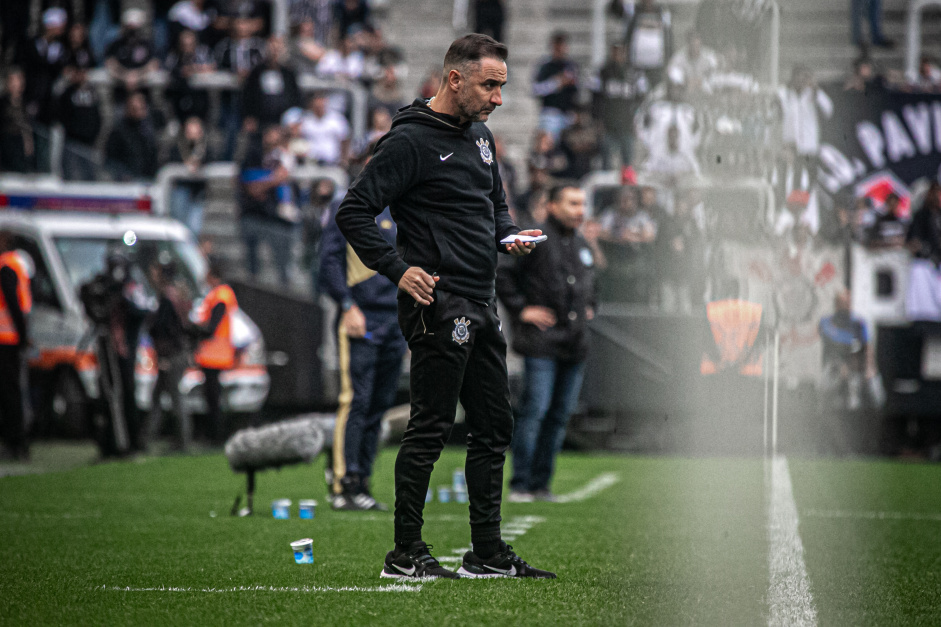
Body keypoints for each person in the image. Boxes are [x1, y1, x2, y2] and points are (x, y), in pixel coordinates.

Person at [335, 33, 555, 580]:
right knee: (430, 427)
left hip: (482, 300)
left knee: (494, 425)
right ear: (454, 79)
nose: (498, 99)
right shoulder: (409, 141)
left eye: (502, 86)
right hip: (438, 301)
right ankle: (405, 553)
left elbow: (493, 204)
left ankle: (486, 553)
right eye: (490, 85)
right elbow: (354, 212)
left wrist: (508, 236)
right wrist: (397, 268)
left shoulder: (479, 138)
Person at [496, 183, 595, 502]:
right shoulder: (535, 240)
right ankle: (521, 484)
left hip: (574, 343)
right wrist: (522, 309)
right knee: (535, 410)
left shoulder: (581, 242)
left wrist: (591, 305)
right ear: (552, 206)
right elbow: (503, 275)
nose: (579, 210)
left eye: (581, 204)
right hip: (542, 342)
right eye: (572, 203)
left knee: (558, 416)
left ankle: (541, 484)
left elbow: (593, 283)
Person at [319, 195, 406, 511]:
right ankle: (344, 483)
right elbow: (328, 260)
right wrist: (346, 304)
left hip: (394, 318)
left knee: (380, 403)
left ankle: (363, 483)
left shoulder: (405, 204)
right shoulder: (349, 205)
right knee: (356, 400)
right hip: (361, 316)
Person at [239, 125, 297, 285]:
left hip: (274, 219)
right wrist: (275, 180)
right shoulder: (252, 157)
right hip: (252, 215)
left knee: (282, 267)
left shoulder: (282, 159)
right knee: (252, 269)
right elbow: (252, 188)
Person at [147, 260, 194, 451]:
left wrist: (164, 356)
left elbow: (166, 329)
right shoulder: (178, 293)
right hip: (178, 352)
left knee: (175, 399)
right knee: (159, 397)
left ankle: (182, 441)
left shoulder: (167, 298)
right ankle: (147, 437)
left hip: (172, 354)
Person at [194, 260, 238, 444]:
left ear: (212, 275)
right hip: (215, 354)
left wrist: (194, 330)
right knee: (213, 396)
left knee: (213, 397)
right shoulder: (220, 294)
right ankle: (215, 434)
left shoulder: (220, 295)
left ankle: (216, 435)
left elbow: (213, 326)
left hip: (215, 354)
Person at [0, 234, 33, 461]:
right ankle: (17, 441)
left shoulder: (6, 267)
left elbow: (12, 302)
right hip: (11, 337)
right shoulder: (18, 264)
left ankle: (15, 442)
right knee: (13, 391)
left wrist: (21, 336)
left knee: (8, 393)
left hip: (6, 338)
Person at [591, 42, 649, 169]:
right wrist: (597, 121)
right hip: (608, 125)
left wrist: (637, 121)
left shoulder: (635, 73)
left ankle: (627, 185)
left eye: (621, 51)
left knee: (628, 162)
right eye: (616, 51)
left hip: (627, 124)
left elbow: (642, 100)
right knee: (607, 162)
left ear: (626, 53)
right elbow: (595, 99)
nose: (618, 55)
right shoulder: (603, 72)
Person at [57, 64, 102, 181]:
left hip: (89, 143)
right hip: (71, 142)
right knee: (70, 174)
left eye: (83, 72)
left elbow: (97, 115)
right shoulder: (67, 93)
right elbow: (61, 114)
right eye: (78, 72)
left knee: (90, 175)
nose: (81, 76)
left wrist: (94, 134)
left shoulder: (93, 92)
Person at [532, 31, 580, 139]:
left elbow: (576, 91)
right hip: (550, 113)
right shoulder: (545, 66)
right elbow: (535, 89)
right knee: (550, 145)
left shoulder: (571, 66)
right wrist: (556, 83)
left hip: (568, 114)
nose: (560, 50)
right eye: (557, 47)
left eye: (562, 46)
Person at [167, 117, 211, 234]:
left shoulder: (205, 148)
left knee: (194, 228)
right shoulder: (178, 147)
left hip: (197, 193)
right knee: (178, 225)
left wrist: (199, 163)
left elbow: (210, 160)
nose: (192, 136)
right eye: (190, 132)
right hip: (181, 189)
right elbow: (170, 161)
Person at [105, 92, 159, 181]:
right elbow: (111, 159)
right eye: (135, 108)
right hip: (125, 182)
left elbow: (152, 157)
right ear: (128, 108)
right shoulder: (118, 131)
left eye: (142, 108)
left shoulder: (148, 131)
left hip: (146, 180)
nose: (139, 111)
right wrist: (122, 175)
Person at [0, 68, 35, 173]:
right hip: (5, 142)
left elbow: (27, 126)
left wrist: (28, 142)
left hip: (19, 144)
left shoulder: (25, 102)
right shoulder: (2, 103)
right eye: (12, 81)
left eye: (17, 81)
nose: (14, 84)